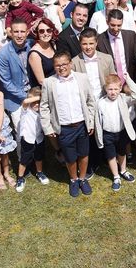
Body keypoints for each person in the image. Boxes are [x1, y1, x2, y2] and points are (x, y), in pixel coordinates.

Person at [40, 51, 96, 197]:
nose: (61, 68)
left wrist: (90, 122)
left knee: (84, 154)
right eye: (57, 65)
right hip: (64, 128)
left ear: (70, 64)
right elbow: (44, 106)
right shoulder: (49, 82)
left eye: (64, 64)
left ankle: (83, 179)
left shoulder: (82, 78)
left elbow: (90, 101)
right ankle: (73, 179)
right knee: (70, 157)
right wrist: (47, 127)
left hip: (82, 124)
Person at [94, 74, 136, 191]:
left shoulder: (124, 99)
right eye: (110, 89)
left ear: (120, 88)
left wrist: (128, 79)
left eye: (116, 89)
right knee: (110, 155)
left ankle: (123, 170)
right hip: (107, 134)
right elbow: (98, 121)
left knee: (122, 152)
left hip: (121, 132)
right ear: (105, 89)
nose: (113, 92)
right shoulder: (100, 103)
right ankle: (116, 176)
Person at [0, 18, 32, 132]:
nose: (20, 35)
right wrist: (26, 97)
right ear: (10, 33)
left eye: (22, 32)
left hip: (34, 92)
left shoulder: (32, 45)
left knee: (37, 129)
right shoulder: (3, 54)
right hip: (15, 99)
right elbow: (6, 83)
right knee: (21, 132)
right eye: (16, 32)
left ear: (27, 32)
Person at [15, 87, 49, 192]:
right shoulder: (26, 110)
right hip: (28, 138)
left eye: (38, 102)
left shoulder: (42, 111)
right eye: (33, 101)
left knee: (39, 156)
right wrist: (40, 97)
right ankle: (20, 178)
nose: (35, 104)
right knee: (24, 159)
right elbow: (25, 101)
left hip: (39, 138)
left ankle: (39, 172)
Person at [97, 9, 136, 83]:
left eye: (119, 25)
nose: (116, 29)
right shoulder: (99, 40)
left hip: (129, 82)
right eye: (112, 25)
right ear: (107, 22)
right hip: (110, 84)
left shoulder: (131, 36)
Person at [28, 18, 57, 88]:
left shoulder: (53, 44)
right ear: (37, 33)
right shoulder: (34, 54)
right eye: (41, 31)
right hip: (48, 89)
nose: (45, 33)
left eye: (48, 30)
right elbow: (41, 81)